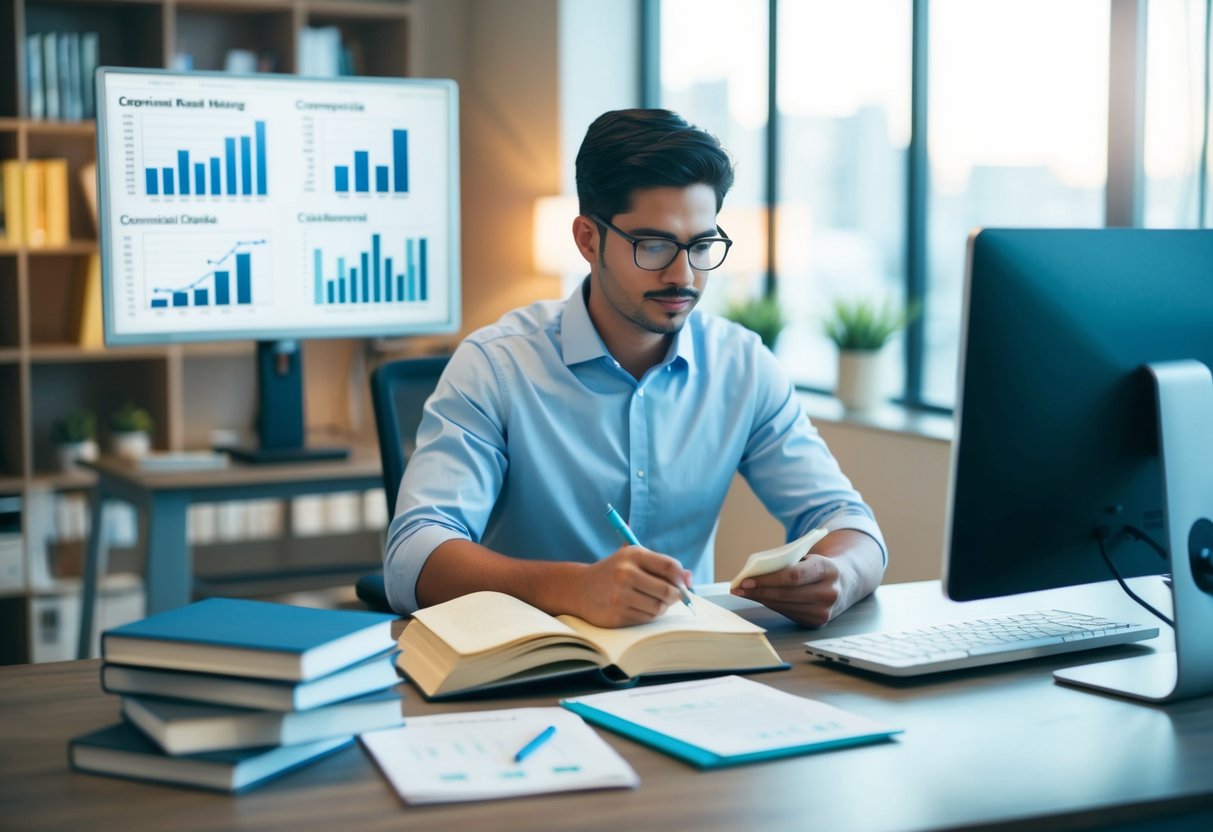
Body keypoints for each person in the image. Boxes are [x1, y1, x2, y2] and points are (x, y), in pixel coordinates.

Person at [384, 108, 886, 628]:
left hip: (689, 673)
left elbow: (849, 522)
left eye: (702, 245)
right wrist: (573, 589)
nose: (683, 274)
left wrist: (842, 575)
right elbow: (412, 557)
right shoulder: (495, 365)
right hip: (530, 669)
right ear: (587, 240)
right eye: (654, 245)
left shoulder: (744, 366)